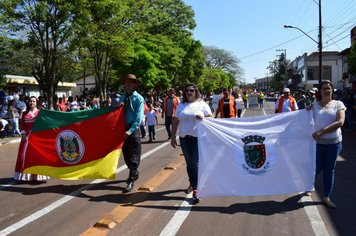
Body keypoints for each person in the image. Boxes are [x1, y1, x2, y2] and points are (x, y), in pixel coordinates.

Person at [306, 80, 346, 209]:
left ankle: (327, 197)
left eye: (328, 88)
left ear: (332, 90)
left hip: (333, 144)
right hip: (317, 144)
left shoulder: (338, 104)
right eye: (324, 88)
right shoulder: (314, 105)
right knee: (315, 168)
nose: (326, 90)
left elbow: (340, 122)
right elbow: (304, 119)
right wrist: (304, 111)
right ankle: (309, 186)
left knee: (329, 170)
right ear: (320, 91)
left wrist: (321, 131)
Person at [171, 83, 213, 203]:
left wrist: (203, 117)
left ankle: (196, 189)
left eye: (192, 90)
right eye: (187, 90)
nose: (189, 92)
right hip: (184, 138)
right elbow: (175, 122)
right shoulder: (181, 106)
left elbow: (211, 118)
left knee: (195, 163)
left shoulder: (201, 104)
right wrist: (173, 137)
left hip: (197, 138)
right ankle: (192, 182)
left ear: (196, 92)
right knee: (189, 163)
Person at [118, 74, 144, 192]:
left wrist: (130, 130)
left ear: (134, 84)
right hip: (123, 129)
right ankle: (134, 171)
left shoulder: (139, 98)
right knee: (126, 155)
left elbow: (138, 118)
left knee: (134, 154)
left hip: (132, 130)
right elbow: (117, 115)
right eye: (126, 82)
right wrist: (118, 108)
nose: (128, 84)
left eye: (130, 82)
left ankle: (131, 180)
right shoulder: (122, 97)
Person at [14, 96, 50, 181]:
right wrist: (23, 134)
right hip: (26, 137)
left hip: (36, 137)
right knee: (24, 155)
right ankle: (24, 176)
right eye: (30, 101)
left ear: (36, 103)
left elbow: (44, 124)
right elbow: (22, 125)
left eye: (33, 101)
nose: (32, 103)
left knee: (37, 156)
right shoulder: (24, 113)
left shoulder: (40, 113)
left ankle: (38, 175)